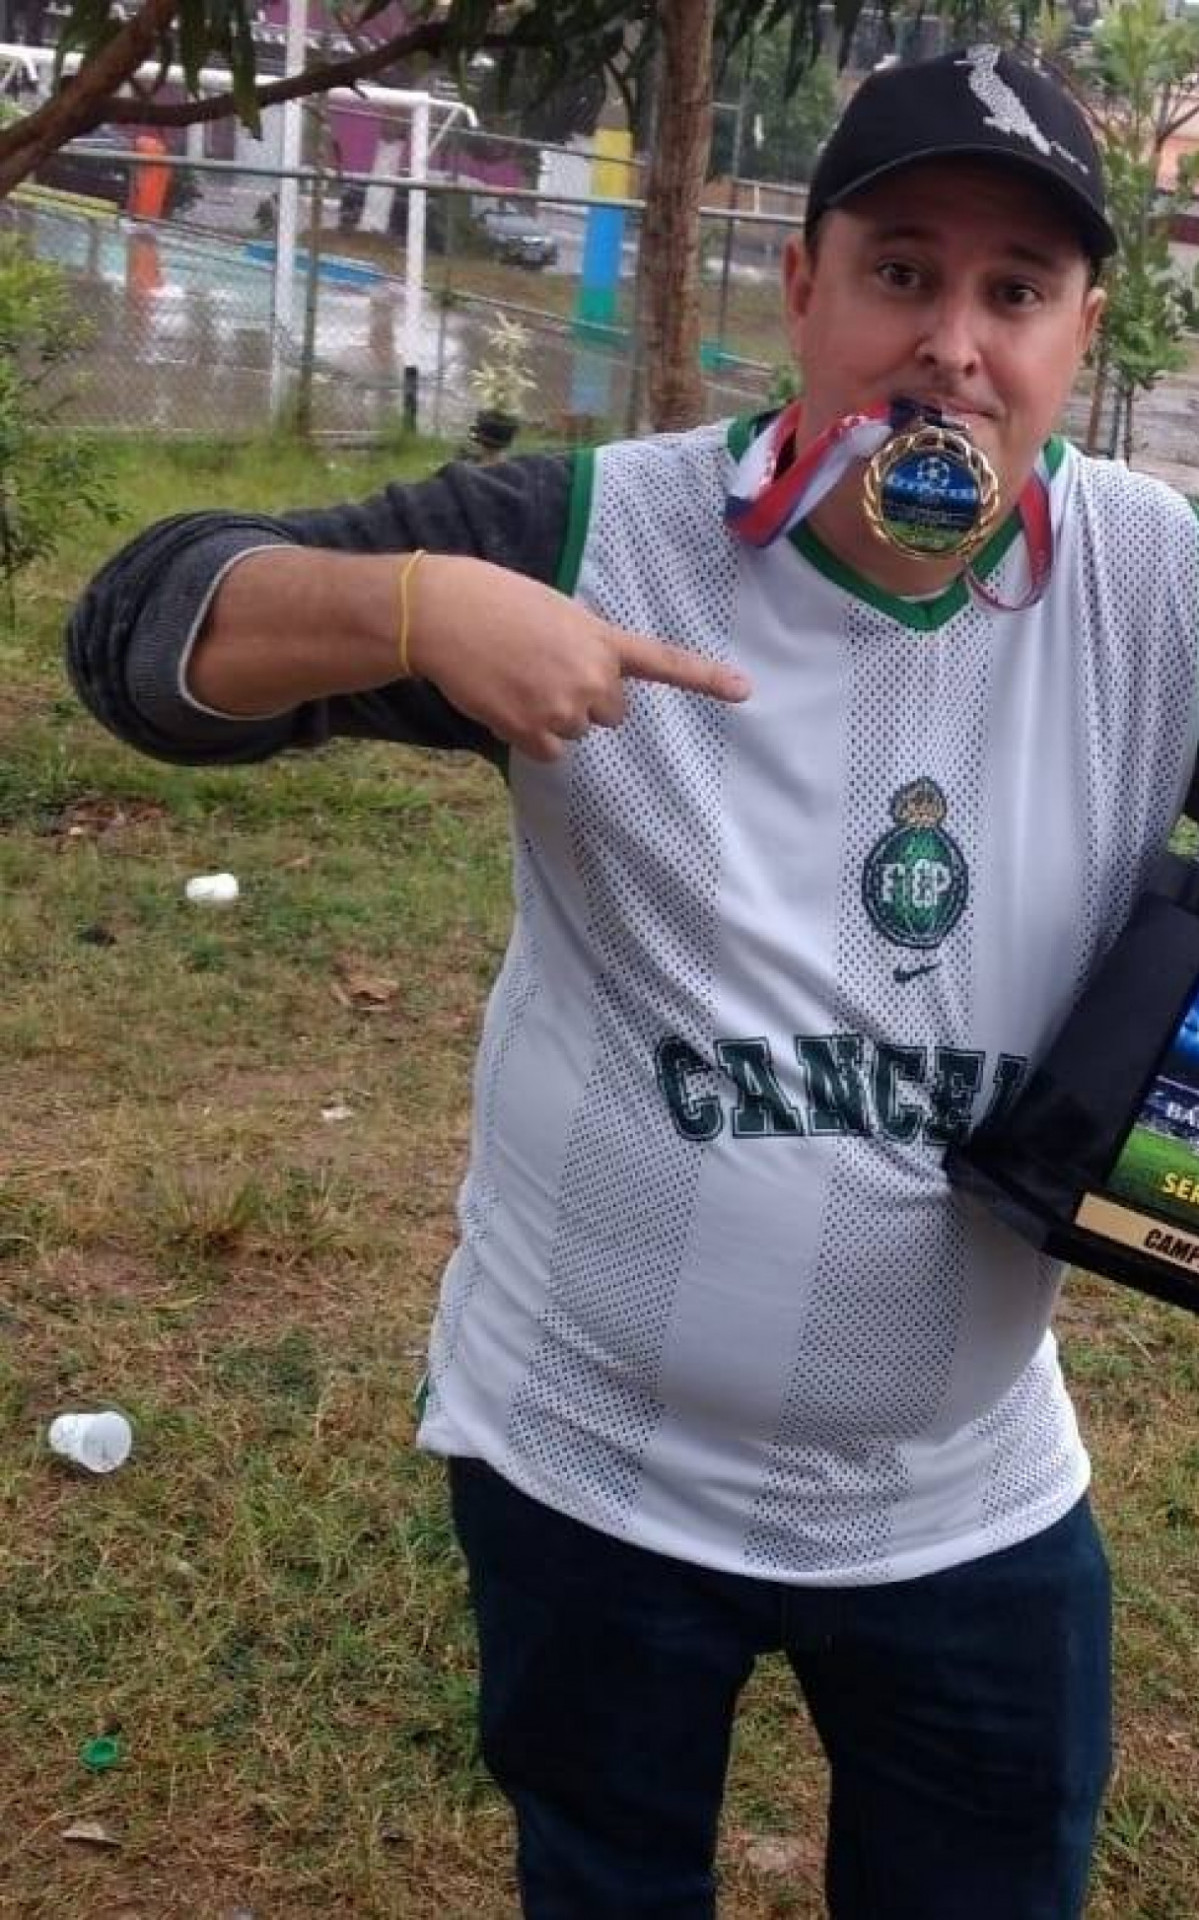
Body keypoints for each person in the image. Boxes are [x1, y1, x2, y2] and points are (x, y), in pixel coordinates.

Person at [66, 45, 1199, 1920]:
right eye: (902, 273)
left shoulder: (1154, 586)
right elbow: (140, 633)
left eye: (1016, 291)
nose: (952, 348)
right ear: (803, 290)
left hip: (965, 1493)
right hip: (591, 1466)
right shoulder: (597, 536)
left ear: (1081, 333)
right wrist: (418, 607)